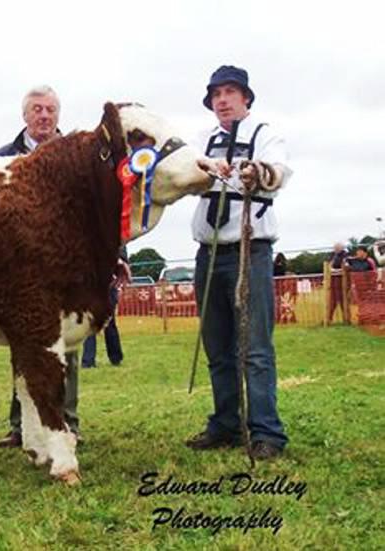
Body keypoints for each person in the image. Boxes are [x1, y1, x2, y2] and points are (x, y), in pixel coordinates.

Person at [186, 65, 292, 460]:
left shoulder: (266, 134)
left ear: (246, 97)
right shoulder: (203, 139)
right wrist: (207, 168)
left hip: (250, 252)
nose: (222, 100)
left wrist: (255, 171)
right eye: (216, 94)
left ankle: (267, 433)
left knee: (255, 349)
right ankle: (226, 425)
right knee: (218, 347)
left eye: (230, 92)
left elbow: (277, 172)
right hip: (208, 255)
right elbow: (187, 166)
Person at [0, 85, 81, 447]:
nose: (44, 116)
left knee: (66, 345)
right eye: (37, 109)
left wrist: (116, 255)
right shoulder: (2, 158)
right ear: (25, 116)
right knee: (21, 346)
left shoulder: (79, 157)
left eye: (50, 110)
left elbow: (100, 213)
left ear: (58, 115)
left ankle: (67, 423)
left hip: (67, 267)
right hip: (17, 270)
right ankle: (22, 427)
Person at [81, 247, 128, 368]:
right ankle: (88, 361)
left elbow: (122, 258)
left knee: (109, 322)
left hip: (108, 283)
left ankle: (116, 358)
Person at [326, 242, 350, 323]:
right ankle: (329, 319)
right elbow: (329, 264)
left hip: (342, 279)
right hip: (332, 278)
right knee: (332, 299)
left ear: (341, 248)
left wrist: (336, 269)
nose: (335, 250)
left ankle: (346, 318)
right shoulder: (332, 255)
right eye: (334, 248)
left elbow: (345, 265)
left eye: (337, 248)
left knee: (343, 299)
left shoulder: (346, 255)